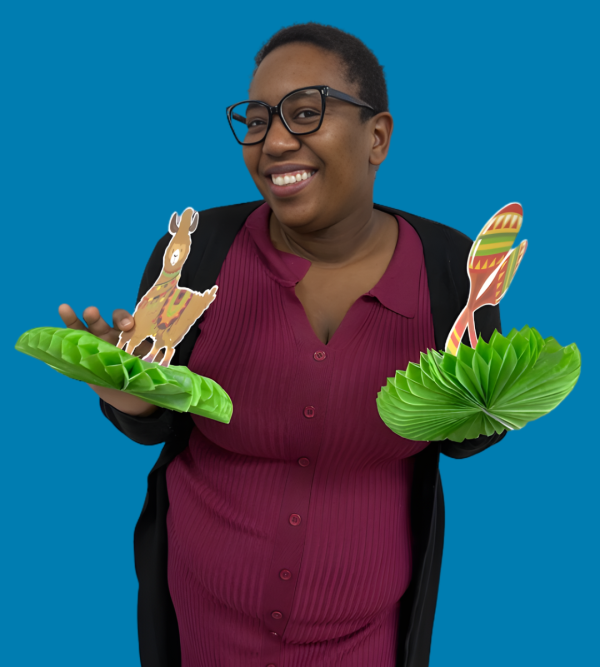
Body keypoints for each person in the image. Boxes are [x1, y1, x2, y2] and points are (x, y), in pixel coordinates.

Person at [58, 22, 506, 667]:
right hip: (205, 624)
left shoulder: (454, 272)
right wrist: (129, 393)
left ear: (377, 137)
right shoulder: (195, 255)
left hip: (365, 638)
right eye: (256, 120)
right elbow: (160, 420)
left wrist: (498, 403)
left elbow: (465, 438)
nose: (272, 142)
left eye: (305, 113)